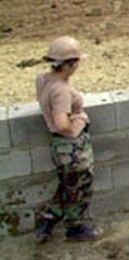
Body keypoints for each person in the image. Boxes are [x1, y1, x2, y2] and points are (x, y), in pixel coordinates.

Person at [34, 36, 103, 243]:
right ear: (70, 64)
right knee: (80, 188)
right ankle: (75, 228)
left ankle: (47, 222)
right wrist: (79, 121)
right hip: (71, 148)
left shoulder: (44, 79)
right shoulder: (61, 90)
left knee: (67, 185)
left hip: (59, 146)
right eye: (77, 61)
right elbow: (62, 124)